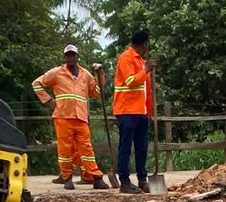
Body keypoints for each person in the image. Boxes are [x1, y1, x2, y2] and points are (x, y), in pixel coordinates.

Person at [32, 44, 108, 190]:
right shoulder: (56, 73)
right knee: (65, 149)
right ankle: (67, 177)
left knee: (86, 148)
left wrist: (100, 74)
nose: (71, 57)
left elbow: (97, 92)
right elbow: (36, 84)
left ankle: (95, 176)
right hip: (63, 117)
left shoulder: (85, 74)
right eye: (68, 55)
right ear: (65, 57)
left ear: (77, 56)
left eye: (73, 55)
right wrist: (49, 101)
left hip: (81, 118)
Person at [111, 28, 156, 193]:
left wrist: (149, 112)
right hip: (126, 111)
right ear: (144, 44)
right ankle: (124, 181)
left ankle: (142, 179)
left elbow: (146, 90)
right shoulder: (126, 58)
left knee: (142, 147)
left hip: (140, 112)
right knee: (125, 147)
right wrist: (146, 70)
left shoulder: (140, 61)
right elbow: (131, 81)